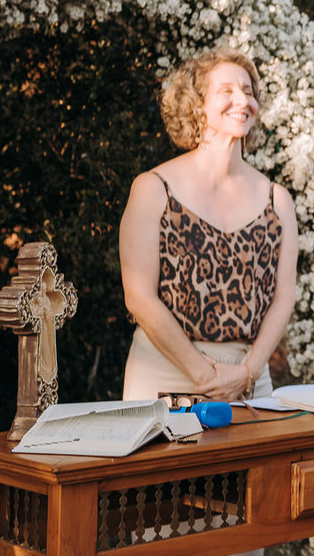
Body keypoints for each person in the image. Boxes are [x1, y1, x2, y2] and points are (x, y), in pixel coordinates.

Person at [121, 48, 297, 406]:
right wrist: (206, 376)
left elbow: (283, 298)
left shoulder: (278, 200)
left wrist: (247, 372)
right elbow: (139, 297)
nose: (242, 100)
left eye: (248, 91)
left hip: (249, 381)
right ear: (196, 104)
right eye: (227, 91)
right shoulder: (153, 188)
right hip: (165, 374)